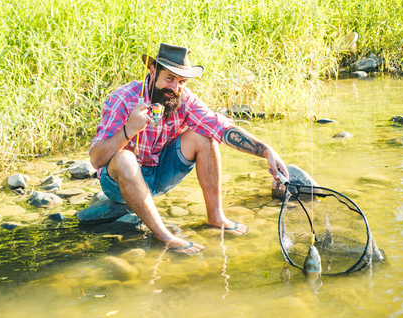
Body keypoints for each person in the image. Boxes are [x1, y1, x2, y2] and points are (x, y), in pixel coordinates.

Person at [89, 43, 288, 254]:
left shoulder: (184, 98)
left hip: (160, 175)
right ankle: (165, 236)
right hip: (119, 183)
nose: (175, 88)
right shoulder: (123, 99)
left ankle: (216, 218)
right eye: (169, 78)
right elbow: (96, 160)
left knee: (204, 135)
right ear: (153, 71)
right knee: (124, 159)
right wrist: (128, 130)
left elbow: (220, 128)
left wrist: (266, 150)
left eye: (181, 81)